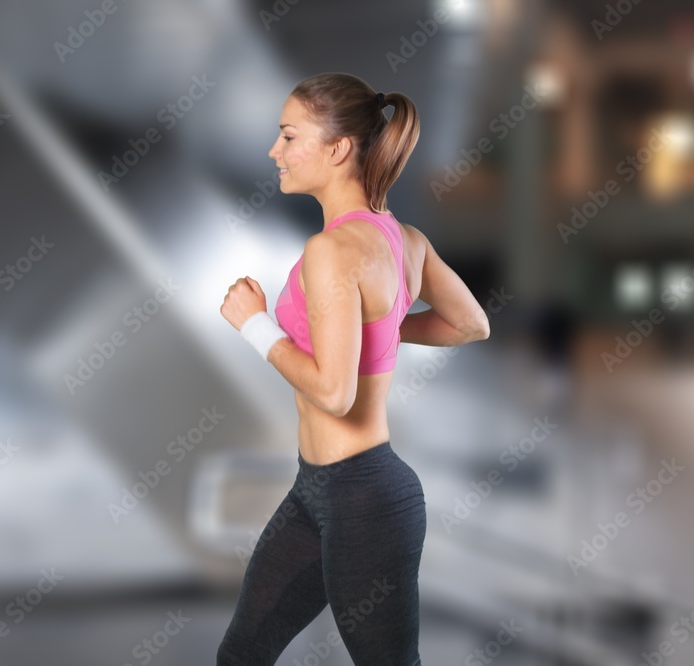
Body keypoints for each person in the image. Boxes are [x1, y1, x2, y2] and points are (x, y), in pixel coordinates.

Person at [218, 72, 491, 665]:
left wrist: (253, 324)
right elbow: (471, 323)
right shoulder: (404, 240)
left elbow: (335, 394)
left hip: (363, 496)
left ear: (339, 149)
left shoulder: (332, 251)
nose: (275, 151)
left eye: (289, 137)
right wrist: (383, 331)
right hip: (314, 492)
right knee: (240, 655)